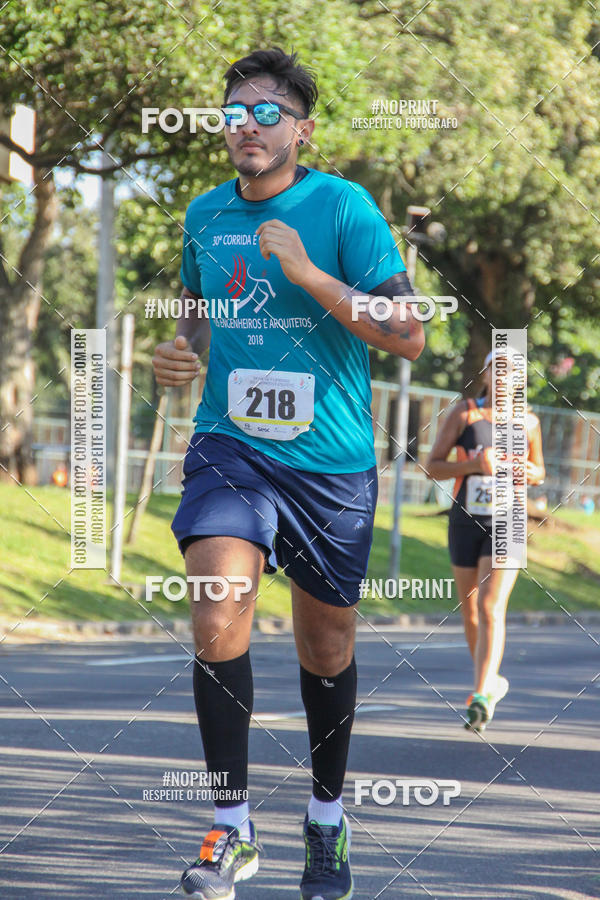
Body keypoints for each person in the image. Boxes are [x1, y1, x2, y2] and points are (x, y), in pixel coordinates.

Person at [152, 47, 424, 900]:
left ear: (301, 130)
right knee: (217, 603)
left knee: (326, 647)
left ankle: (327, 819)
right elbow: (201, 317)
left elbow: (410, 332)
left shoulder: (344, 209)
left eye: (268, 112)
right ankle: (230, 830)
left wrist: (309, 274)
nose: (248, 125)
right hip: (231, 446)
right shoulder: (204, 215)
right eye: (235, 110)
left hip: (331, 463)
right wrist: (179, 353)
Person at [425, 348, 545, 732]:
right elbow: (432, 467)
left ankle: (480, 697)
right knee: (472, 611)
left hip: (509, 519)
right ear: (487, 373)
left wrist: (530, 471)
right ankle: (491, 679)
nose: (505, 377)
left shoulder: (528, 422)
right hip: (466, 518)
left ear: (521, 381)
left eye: (514, 372)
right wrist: (473, 464)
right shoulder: (465, 414)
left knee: (493, 606)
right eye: (499, 368)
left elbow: (539, 470)